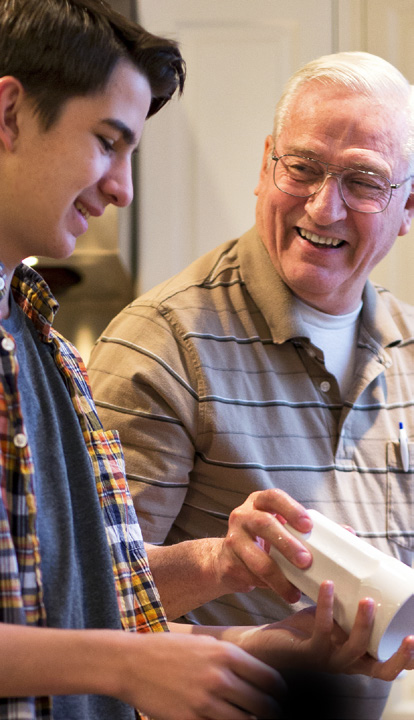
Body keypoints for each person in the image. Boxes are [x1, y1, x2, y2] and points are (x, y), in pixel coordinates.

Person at [2, 3, 407, 719]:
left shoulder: (42, 344)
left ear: (406, 208)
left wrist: (230, 581)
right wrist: (132, 665)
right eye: (106, 141)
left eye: (364, 182)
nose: (123, 188)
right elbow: (104, 634)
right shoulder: (158, 339)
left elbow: (87, 590)